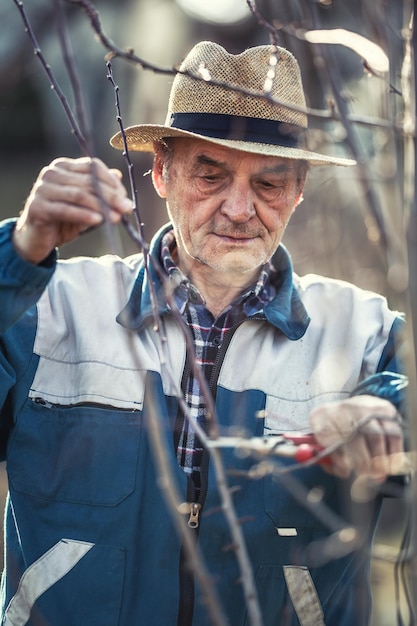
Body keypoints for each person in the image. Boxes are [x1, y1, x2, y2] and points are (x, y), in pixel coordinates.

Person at [0, 40, 408, 626]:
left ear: (298, 190)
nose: (239, 210)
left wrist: (389, 406)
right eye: (211, 175)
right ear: (162, 172)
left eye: (268, 184)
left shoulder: (363, 331)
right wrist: (16, 255)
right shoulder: (52, 308)